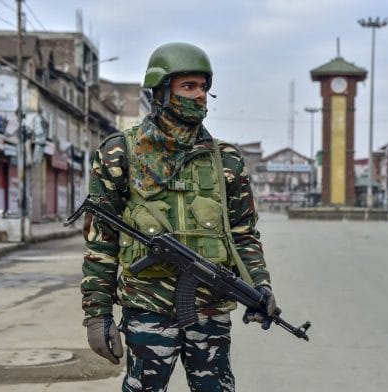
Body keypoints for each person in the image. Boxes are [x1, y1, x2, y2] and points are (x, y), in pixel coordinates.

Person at [81, 42, 275, 392]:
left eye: (203, 88)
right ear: (161, 91)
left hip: (211, 310)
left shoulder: (226, 159)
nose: (199, 96)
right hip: (146, 307)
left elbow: (244, 234)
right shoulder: (119, 152)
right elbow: (102, 242)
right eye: (188, 86)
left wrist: (260, 286)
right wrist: (98, 314)